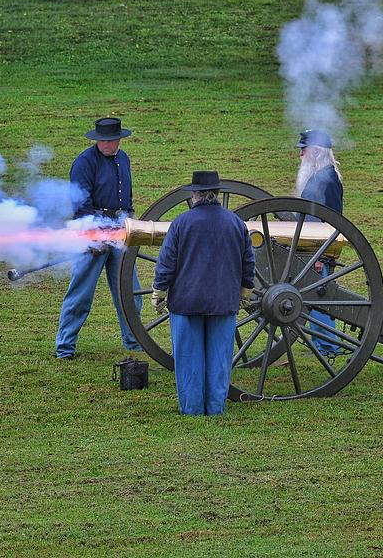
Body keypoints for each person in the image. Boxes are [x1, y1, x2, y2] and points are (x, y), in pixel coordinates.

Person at [151, 171, 255, 416]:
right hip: (223, 301)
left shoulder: (181, 223)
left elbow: (167, 263)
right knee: (219, 361)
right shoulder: (236, 224)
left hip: (187, 302)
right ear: (217, 194)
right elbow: (248, 262)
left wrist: (159, 291)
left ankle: (192, 409)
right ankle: (215, 408)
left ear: (195, 194)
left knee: (188, 360)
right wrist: (245, 291)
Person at [54, 117, 143, 360]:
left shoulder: (123, 159)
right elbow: (80, 205)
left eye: (110, 140)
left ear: (118, 140)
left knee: (130, 292)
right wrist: (93, 235)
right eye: (102, 140)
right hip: (91, 231)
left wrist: (129, 219)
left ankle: (134, 341)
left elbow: (127, 196)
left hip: (120, 230)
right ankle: (65, 348)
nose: (105, 144)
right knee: (81, 294)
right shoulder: (84, 163)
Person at [294, 129, 343, 355]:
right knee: (314, 299)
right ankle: (324, 344)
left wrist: (321, 256)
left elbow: (332, 222)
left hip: (318, 251)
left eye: (303, 150)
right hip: (312, 248)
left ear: (314, 152)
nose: (300, 154)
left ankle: (329, 346)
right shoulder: (319, 177)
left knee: (318, 299)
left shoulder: (328, 180)